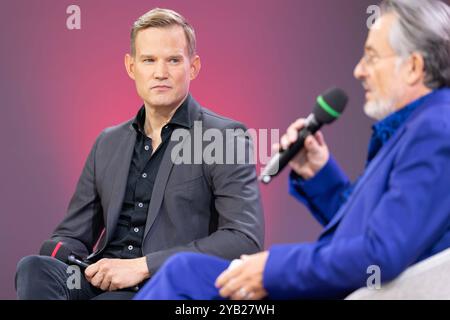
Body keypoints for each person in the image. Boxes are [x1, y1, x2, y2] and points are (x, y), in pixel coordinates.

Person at [133, 0, 450, 300]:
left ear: (413, 67)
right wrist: (319, 174)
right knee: (184, 271)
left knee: (182, 276)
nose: (359, 70)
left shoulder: (434, 130)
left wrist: (271, 269)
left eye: (372, 56)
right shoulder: (416, 128)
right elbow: (366, 232)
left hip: (333, 291)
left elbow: (381, 253)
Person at [15, 8, 264, 300]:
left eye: (173, 60)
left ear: (193, 67)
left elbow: (243, 240)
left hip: (165, 287)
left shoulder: (222, 137)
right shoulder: (108, 143)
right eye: (149, 60)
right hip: (101, 279)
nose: (161, 73)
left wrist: (143, 266)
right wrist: (63, 253)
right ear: (131, 67)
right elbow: (72, 236)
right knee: (34, 268)